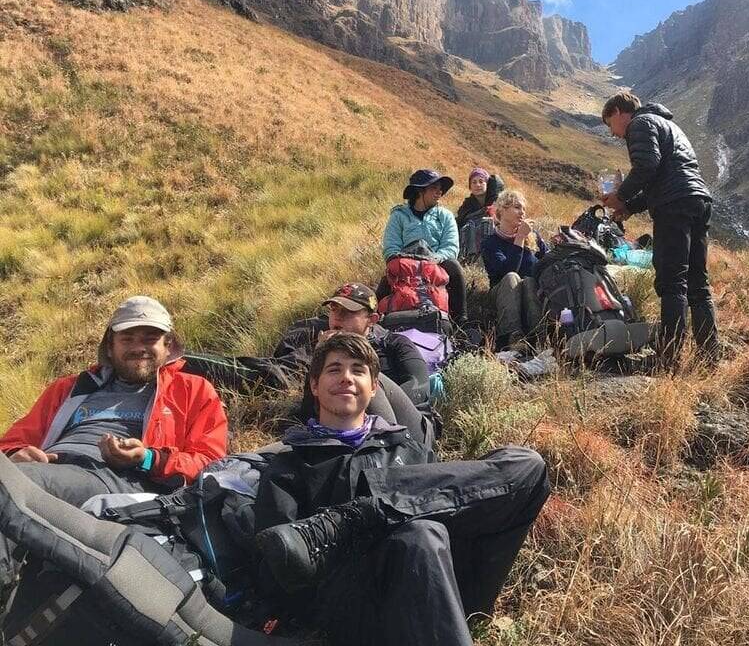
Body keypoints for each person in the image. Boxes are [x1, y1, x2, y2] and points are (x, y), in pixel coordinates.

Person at [253, 333, 549, 646]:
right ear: (314, 385)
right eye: (334, 369)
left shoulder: (409, 449)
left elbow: (454, 510)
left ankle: (353, 517)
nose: (346, 378)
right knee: (419, 535)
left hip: (444, 584)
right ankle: (361, 519)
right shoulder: (290, 465)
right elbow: (275, 569)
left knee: (528, 464)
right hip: (355, 607)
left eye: (357, 370)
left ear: (374, 387)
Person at [0, 295, 228, 585]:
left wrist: (147, 458)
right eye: (127, 338)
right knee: (13, 478)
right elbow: (13, 440)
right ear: (110, 346)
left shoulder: (193, 390)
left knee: (11, 485)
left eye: (150, 338)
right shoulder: (70, 387)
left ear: (168, 345)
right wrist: (17, 453)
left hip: (119, 475)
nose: (138, 348)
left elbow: (211, 463)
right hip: (48, 467)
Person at [182, 283, 435, 444]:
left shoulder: (395, 344)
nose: (337, 318)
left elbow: (420, 385)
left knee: (363, 380)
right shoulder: (322, 345)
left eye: (347, 313)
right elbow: (308, 411)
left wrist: (362, 390)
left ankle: (390, 452)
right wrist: (321, 356)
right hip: (343, 431)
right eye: (334, 311)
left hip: (409, 430)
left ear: (372, 319)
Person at [600, 91, 720, 366]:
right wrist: (631, 207)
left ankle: (669, 357)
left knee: (671, 280)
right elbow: (663, 176)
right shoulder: (668, 125)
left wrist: (620, 196)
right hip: (697, 201)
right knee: (697, 283)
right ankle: (709, 358)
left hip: (674, 207)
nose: (614, 134)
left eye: (610, 124)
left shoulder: (640, 125)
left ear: (619, 112)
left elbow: (647, 166)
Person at [381, 169, 468, 322]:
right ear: (420, 191)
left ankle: (461, 322)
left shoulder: (445, 216)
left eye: (440, 189)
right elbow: (391, 248)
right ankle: (373, 321)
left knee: (454, 268)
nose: (439, 192)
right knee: (384, 283)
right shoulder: (399, 216)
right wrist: (409, 262)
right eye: (434, 188)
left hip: (438, 264)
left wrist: (434, 259)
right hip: (405, 267)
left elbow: (451, 247)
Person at [480, 190, 547, 349]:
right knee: (511, 277)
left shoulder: (533, 237)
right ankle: (512, 337)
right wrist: (519, 239)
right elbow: (505, 272)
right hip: (501, 296)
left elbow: (547, 261)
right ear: (502, 210)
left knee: (529, 281)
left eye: (523, 208)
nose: (522, 212)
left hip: (529, 295)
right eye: (517, 207)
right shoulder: (490, 243)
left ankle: (539, 338)